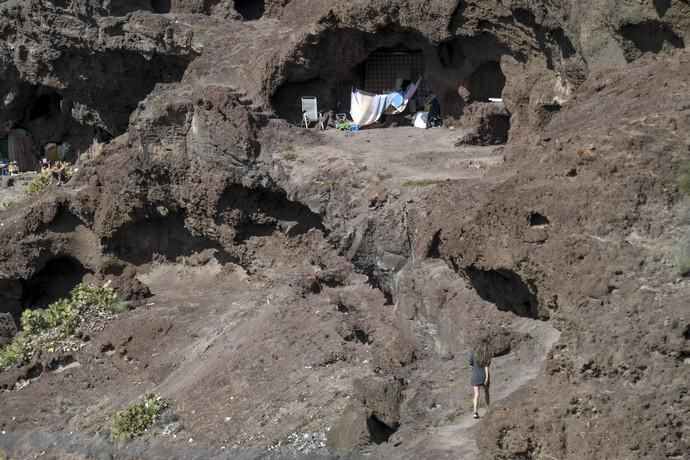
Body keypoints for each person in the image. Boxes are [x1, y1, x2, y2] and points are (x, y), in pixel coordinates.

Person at [469, 338, 492, 419]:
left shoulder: (473, 353)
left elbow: (470, 363)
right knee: (486, 393)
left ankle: (475, 412)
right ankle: (488, 409)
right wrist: (486, 377)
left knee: (476, 394)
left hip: (475, 376)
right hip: (484, 376)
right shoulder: (487, 355)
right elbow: (486, 366)